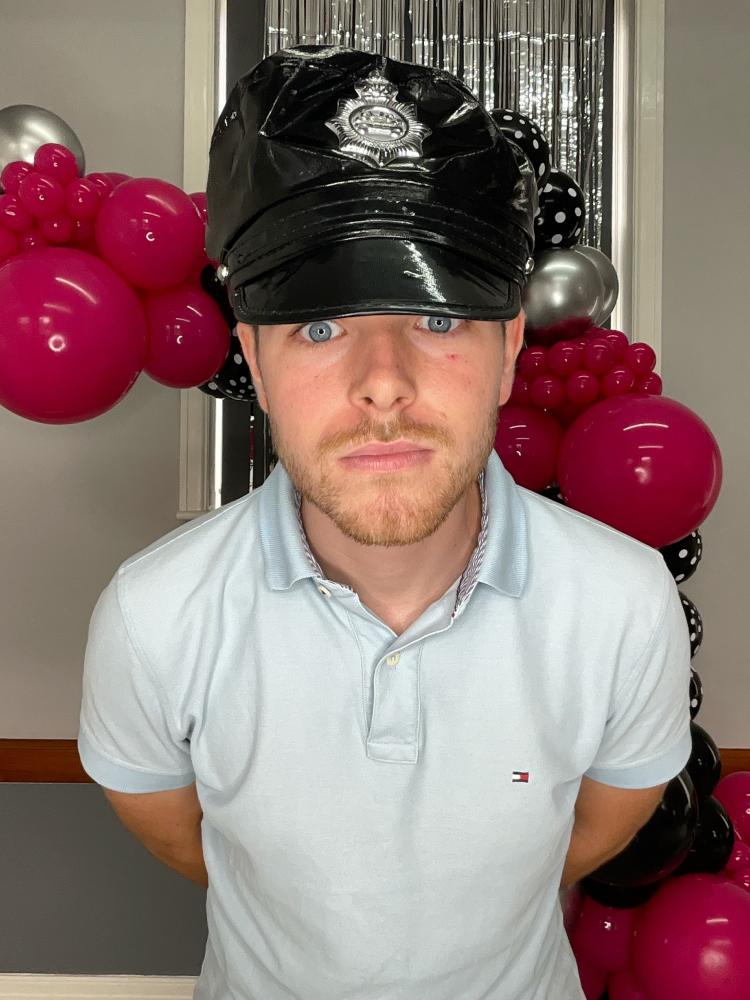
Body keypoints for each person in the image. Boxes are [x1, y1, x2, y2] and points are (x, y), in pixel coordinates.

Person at [77, 45, 692, 1000]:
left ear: (509, 346)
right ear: (255, 360)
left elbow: (584, 838)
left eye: (437, 318)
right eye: (320, 326)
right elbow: (184, 836)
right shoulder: (153, 617)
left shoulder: (624, 603)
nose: (383, 384)